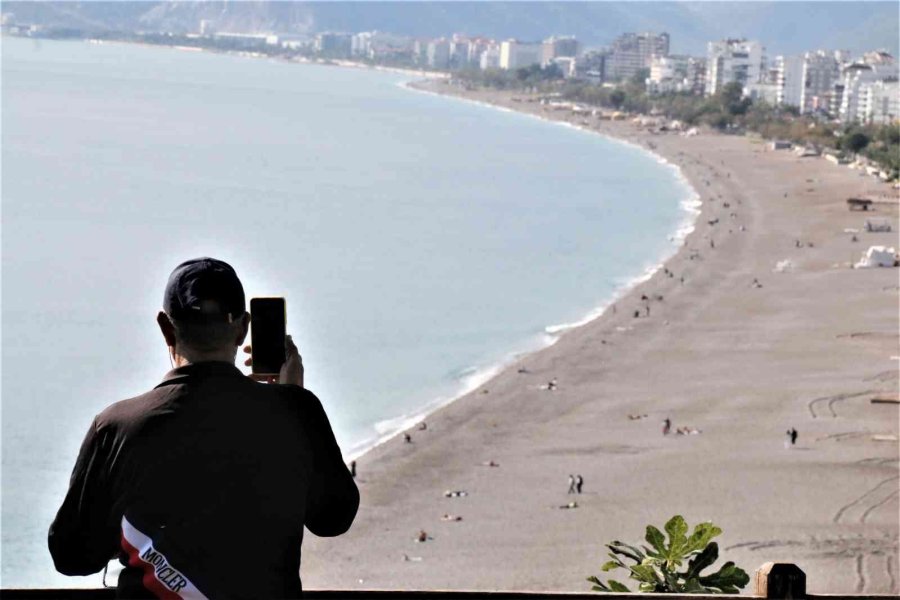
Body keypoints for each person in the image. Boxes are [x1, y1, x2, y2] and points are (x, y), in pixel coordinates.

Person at [48, 257, 359, 598]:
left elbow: (72, 555)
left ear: (166, 327)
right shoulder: (296, 412)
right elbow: (333, 519)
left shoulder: (117, 426)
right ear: (242, 329)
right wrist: (293, 399)